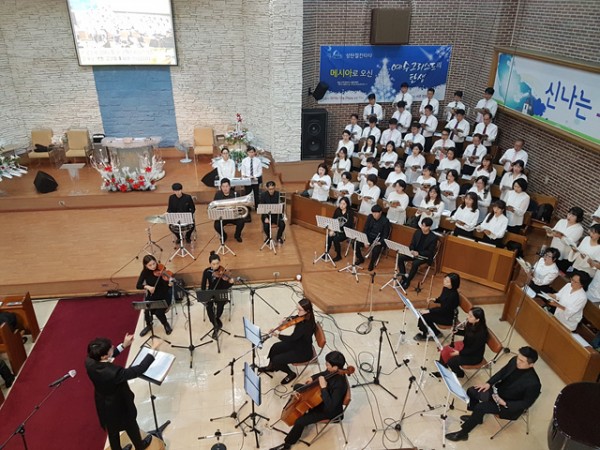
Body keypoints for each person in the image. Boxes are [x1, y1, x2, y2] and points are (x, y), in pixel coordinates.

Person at [445, 346, 541, 442]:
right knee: (471, 391)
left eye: (522, 361)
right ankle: (477, 418)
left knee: (480, 407)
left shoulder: (534, 383)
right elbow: (502, 372)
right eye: (518, 358)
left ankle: (463, 433)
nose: (517, 362)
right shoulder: (514, 360)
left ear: (531, 364)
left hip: (506, 405)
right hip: (497, 392)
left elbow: (526, 403)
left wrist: (505, 403)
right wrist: (489, 383)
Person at [86, 334, 159, 450]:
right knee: (131, 426)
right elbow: (138, 370)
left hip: (103, 404)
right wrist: (153, 351)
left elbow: (107, 358)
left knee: (112, 432)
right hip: (120, 405)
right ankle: (140, 446)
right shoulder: (114, 373)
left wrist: (124, 345)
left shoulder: (90, 361)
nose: (113, 347)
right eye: (110, 348)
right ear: (104, 356)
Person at [269, 351, 349, 450]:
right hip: (321, 397)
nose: (326, 365)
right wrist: (312, 378)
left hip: (327, 410)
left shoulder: (340, 385)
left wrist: (324, 388)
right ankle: (290, 408)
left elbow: (330, 405)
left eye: (328, 364)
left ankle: (287, 444)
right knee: (297, 387)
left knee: (300, 422)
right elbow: (323, 374)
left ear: (335, 367)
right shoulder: (333, 371)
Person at [259, 298, 316, 385]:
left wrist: (277, 335)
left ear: (307, 311)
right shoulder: (305, 316)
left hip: (303, 352)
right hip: (297, 343)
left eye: (300, 310)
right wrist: (287, 319)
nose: (298, 311)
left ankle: (291, 373)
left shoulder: (306, 326)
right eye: (297, 308)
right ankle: (271, 367)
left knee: (276, 360)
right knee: (275, 347)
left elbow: (292, 338)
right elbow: (296, 317)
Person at [437, 307, 488, 378]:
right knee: (445, 350)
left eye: (470, 316)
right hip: (466, 346)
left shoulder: (481, 333)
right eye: (468, 315)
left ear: (477, 319)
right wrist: (457, 331)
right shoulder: (470, 323)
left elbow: (473, 349)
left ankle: (459, 373)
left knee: (451, 361)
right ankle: (442, 368)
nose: (468, 317)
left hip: (474, 356)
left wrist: (459, 353)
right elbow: (466, 333)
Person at [414, 272, 460, 340]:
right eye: (445, 279)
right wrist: (435, 299)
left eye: (447, 282)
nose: (444, 282)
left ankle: (425, 335)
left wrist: (429, 311)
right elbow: (442, 299)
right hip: (443, 312)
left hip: (448, 317)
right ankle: (435, 332)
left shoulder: (453, 295)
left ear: (453, 284)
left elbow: (444, 310)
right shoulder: (446, 288)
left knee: (425, 316)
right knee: (424, 315)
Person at [136, 255, 173, 337]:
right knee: (147, 311)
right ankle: (149, 325)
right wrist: (147, 287)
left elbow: (167, 287)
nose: (153, 266)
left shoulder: (161, 270)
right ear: (145, 266)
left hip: (164, 295)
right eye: (150, 265)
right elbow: (138, 285)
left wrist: (169, 284)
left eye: (154, 263)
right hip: (152, 296)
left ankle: (165, 324)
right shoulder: (145, 272)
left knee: (158, 312)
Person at [398, 217, 438, 290]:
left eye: (425, 226)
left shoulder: (433, 237)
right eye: (422, 225)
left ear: (429, 227)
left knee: (415, 263)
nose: (423, 228)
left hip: (424, 256)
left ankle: (408, 281)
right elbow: (412, 244)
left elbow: (430, 251)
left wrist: (419, 253)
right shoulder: (417, 232)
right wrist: (412, 250)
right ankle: (404, 277)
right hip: (414, 253)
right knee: (400, 258)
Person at [201, 251, 235, 338]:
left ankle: (216, 322)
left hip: (221, 292)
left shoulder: (223, 271)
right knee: (208, 306)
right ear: (210, 264)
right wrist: (204, 295)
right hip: (211, 292)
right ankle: (216, 324)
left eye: (217, 263)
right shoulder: (206, 272)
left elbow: (225, 286)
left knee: (220, 304)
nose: (216, 266)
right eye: (214, 264)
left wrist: (230, 283)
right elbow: (203, 285)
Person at [356, 204, 390, 271]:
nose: (374, 214)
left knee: (376, 250)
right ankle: (360, 258)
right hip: (368, 237)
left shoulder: (385, 221)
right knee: (356, 243)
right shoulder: (370, 217)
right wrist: (365, 240)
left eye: (376, 213)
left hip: (378, 240)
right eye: (373, 212)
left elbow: (385, 235)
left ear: (380, 212)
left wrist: (379, 242)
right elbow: (365, 229)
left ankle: (372, 263)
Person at [549, 206, 584, 272]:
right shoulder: (562, 221)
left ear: (578, 218)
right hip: (554, 247)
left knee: (557, 270)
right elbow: (554, 230)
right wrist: (550, 232)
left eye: (573, 215)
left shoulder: (579, 229)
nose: (569, 216)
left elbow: (570, 242)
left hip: (564, 253)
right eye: (569, 214)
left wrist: (560, 236)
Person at [212, 178, 245, 243]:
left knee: (241, 221)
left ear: (230, 186)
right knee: (217, 225)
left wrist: (236, 209)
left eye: (227, 186)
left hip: (233, 216)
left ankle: (237, 235)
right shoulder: (218, 195)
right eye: (223, 186)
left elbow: (240, 207)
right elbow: (215, 206)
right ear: (221, 187)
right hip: (223, 216)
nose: (225, 188)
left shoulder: (236, 194)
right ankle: (224, 235)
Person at [328, 196, 355, 262]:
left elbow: (348, 225)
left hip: (345, 232)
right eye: (340, 203)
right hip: (337, 229)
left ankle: (338, 255)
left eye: (344, 204)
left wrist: (336, 231)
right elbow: (333, 220)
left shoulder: (350, 212)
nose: (341, 205)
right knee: (329, 236)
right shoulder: (337, 210)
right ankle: (326, 252)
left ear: (347, 204)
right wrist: (332, 230)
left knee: (336, 238)